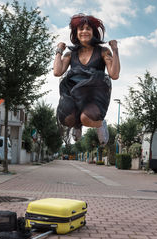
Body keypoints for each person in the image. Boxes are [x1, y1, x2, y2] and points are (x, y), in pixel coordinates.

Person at [54, 13, 120, 146]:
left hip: (94, 95)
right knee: (67, 119)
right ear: (76, 33)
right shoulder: (70, 53)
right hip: (74, 94)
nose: (84, 31)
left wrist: (115, 50)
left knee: (86, 118)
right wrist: (59, 50)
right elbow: (57, 71)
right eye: (81, 29)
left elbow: (114, 74)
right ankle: (77, 125)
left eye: (88, 29)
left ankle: (100, 124)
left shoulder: (103, 51)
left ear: (93, 32)